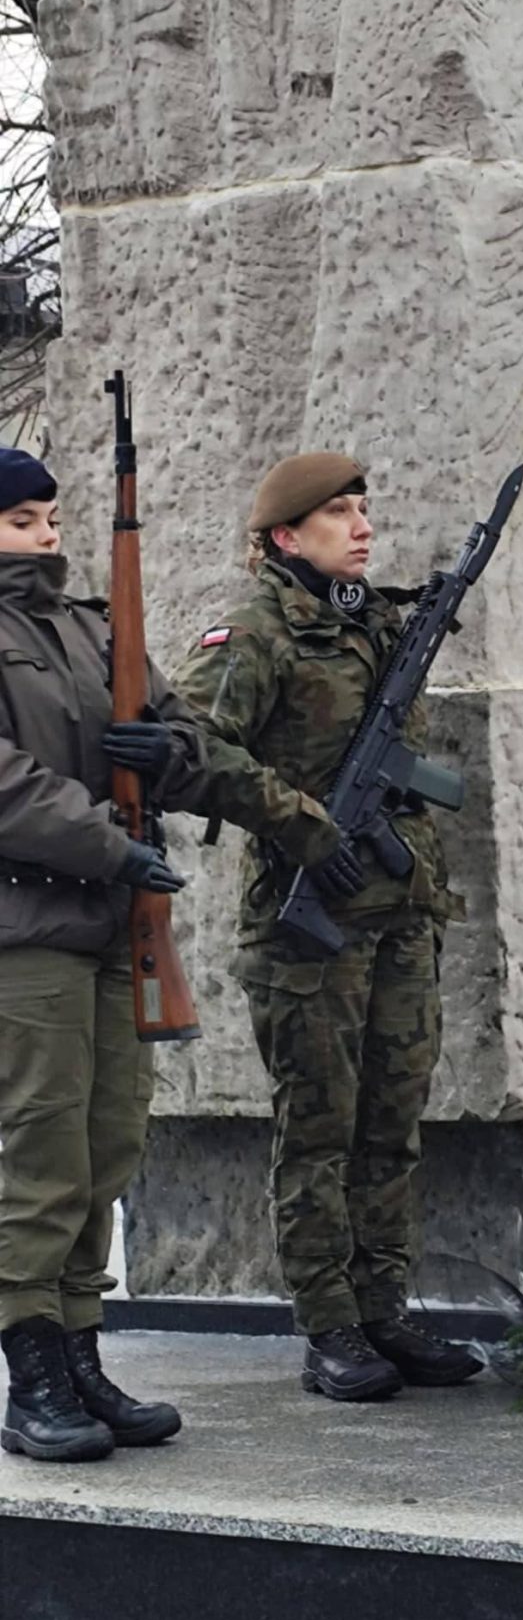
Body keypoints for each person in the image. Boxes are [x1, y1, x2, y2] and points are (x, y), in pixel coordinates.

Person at [174, 452, 480, 1400]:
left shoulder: (376, 622)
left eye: (363, 508)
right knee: (319, 1132)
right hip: (308, 932)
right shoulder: (254, 633)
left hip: (396, 914)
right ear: (283, 537)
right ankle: (331, 1326)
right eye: (337, 513)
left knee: (391, 1126)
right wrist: (303, 822)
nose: (361, 525)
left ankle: (383, 1309)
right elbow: (190, 749)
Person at [0, 446, 207, 1462]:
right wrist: (111, 839)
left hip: (116, 924)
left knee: (107, 1142)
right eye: (24, 519)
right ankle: (31, 1369)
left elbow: (177, 724)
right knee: (40, 1153)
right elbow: (7, 788)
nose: (49, 534)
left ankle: (81, 1350)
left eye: (50, 516)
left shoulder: (92, 626)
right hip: (25, 928)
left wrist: (170, 755)